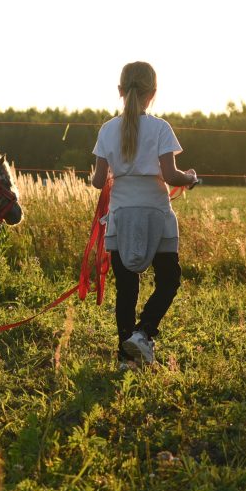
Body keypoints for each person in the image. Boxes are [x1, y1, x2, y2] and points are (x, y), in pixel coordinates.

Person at [91, 61, 198, 368]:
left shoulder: (107, 130)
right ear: (153, 93)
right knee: (169, 278)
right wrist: (190, 177)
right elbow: (170, 174)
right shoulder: (161, 129)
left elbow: (98, 181)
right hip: (155, 213)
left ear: (120, 91)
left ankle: (127, 358)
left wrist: (108, 172)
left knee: (126, 287)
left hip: (121, 216)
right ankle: (144, 332)